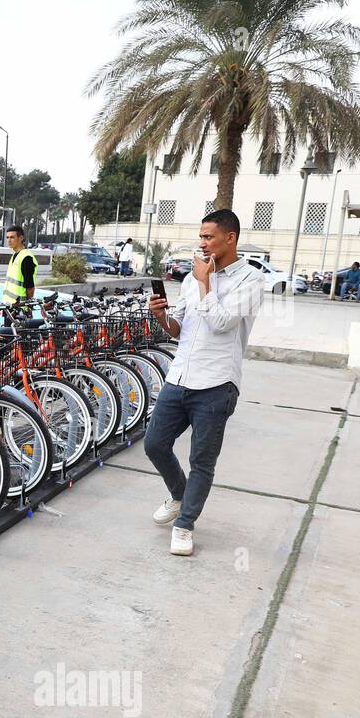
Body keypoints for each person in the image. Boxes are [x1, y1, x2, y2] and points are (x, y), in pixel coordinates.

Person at [145, 208, 264, 557]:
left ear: (230, 238)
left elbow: (223, 323)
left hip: (217, 383)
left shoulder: (251, 281)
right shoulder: (192, 279)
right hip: (179, 376)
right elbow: (179, 329)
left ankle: (184, 524)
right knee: (155, 444)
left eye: (209, 236)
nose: (202, 243)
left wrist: (205, 283)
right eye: (200, 237)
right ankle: (180, 494)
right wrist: (160, 316)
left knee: (202, 460)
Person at [2, 224, 36, 303]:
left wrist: (27, 306)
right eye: (7, 237)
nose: (9, 240)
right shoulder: (15, 255)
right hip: (8, 305)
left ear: (21, 238)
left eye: (12, 237)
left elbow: (30, 287)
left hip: (19, 308)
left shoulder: (26, 258)